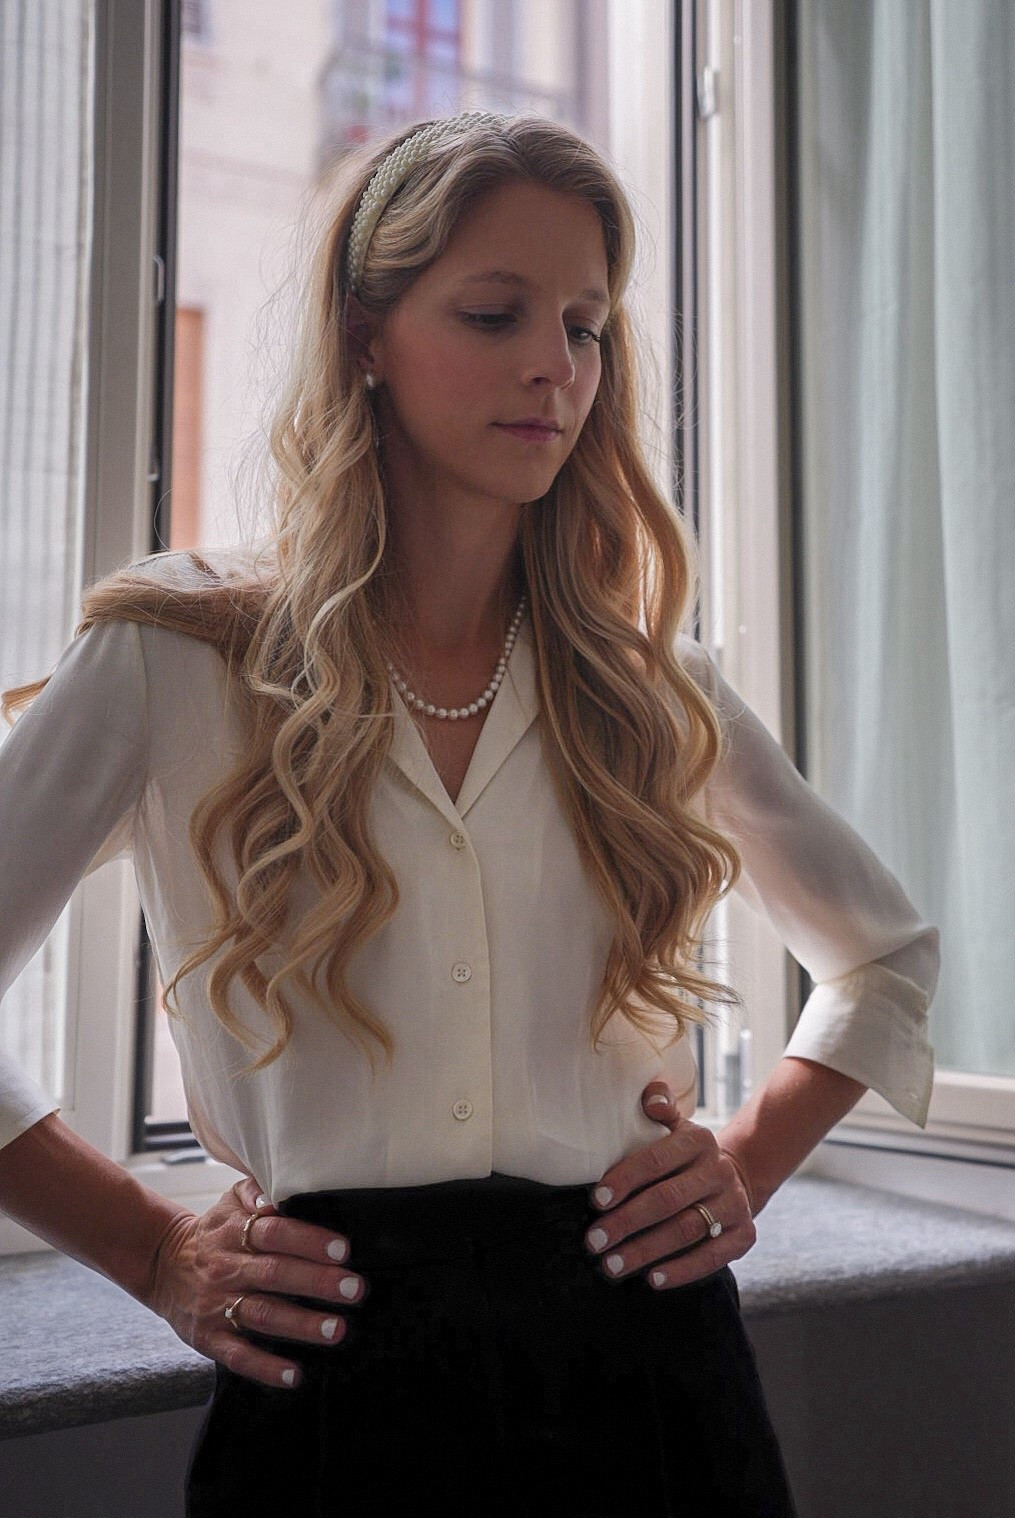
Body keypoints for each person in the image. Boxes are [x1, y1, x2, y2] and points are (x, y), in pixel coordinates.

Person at [0, 110, 939, 1517]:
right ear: (365, 335)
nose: (556, 365)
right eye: (496, 314)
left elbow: (885, 954)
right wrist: (145, 1244)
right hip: (332, 1389)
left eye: (586, 325)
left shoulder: (649, 687)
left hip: (654, 1380)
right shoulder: (172, 657)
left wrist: (748, 1161)